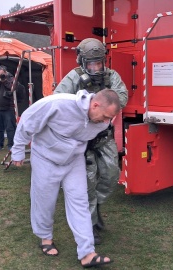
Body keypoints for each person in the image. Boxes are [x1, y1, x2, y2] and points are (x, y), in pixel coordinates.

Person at [11, 89, 119, 268]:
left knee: (80, 202)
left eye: (110, 119)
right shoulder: (58, 104)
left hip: (73, 161)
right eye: (106, 116)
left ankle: (87, 253)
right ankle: (45, 238)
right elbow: (28, 121)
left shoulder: (101, 123)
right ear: (95, 105)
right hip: (45, 158)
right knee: (45, 200)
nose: (106, 122)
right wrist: (18, 150)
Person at [54, 38, 128, 245]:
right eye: (91, 64)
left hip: (104, 138)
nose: (95, 68)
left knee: (111, 175)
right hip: (82, 141)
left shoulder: (111, 76)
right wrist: (85, 106)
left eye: (98, 63)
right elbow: (58, 99)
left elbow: (121, 96)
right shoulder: (75, 77)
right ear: (82, 61)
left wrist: (102, 104)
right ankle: (90, 223)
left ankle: (96, 209)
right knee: (87, 183)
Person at [0, 65, 25, 152]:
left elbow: (13, 88)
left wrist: (4, 81)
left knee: (10, 128)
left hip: (8, 108)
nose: (0, 75)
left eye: (1, 74)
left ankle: (11, 144)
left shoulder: (12, 79)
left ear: (5, 72)